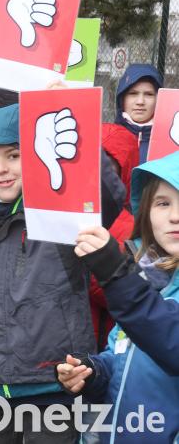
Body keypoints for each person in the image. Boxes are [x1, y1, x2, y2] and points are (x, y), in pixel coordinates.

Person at [0, 104, 125, 444]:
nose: (2, 169)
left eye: (14, 155)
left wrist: (77, 136)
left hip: (53, 384)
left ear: (37, 154)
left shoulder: (62, 218)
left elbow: (109, 197)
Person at [57, 150, 179, 443]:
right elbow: (122, 356)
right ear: (146, 214)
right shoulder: (150, 280)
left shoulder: (133, 285)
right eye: (163, 203)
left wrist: (115, 273)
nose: (175, 216)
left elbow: (170, 341)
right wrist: (93, 371)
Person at [87, 124, 139, 351]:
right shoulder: (70, 214)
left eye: (108, 165)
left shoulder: (131, 227)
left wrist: (84, 268)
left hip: (103, 343)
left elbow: (122, 295)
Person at [115, 64, 163, 164]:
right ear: (122, 98)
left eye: (149, 94)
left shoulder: (171, 144)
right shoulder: (106, 140)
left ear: (159, 98)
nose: (140, 101)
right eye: (133, 93)